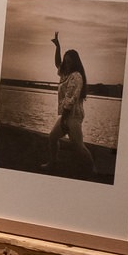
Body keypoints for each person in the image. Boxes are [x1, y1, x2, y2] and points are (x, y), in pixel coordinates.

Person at [45, 31, 94, 175]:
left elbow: (70, 99)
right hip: (67, 115)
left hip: (73, 116)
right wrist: (57, 47)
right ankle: (53, 163)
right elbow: (57, 64)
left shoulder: (76, 76)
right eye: (66, 61)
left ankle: (92, 170)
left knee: (78, 146)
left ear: (75, 62)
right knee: (52, 138)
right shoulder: (65, 74)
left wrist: (64, 119)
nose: (66, 63)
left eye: (69, 61)